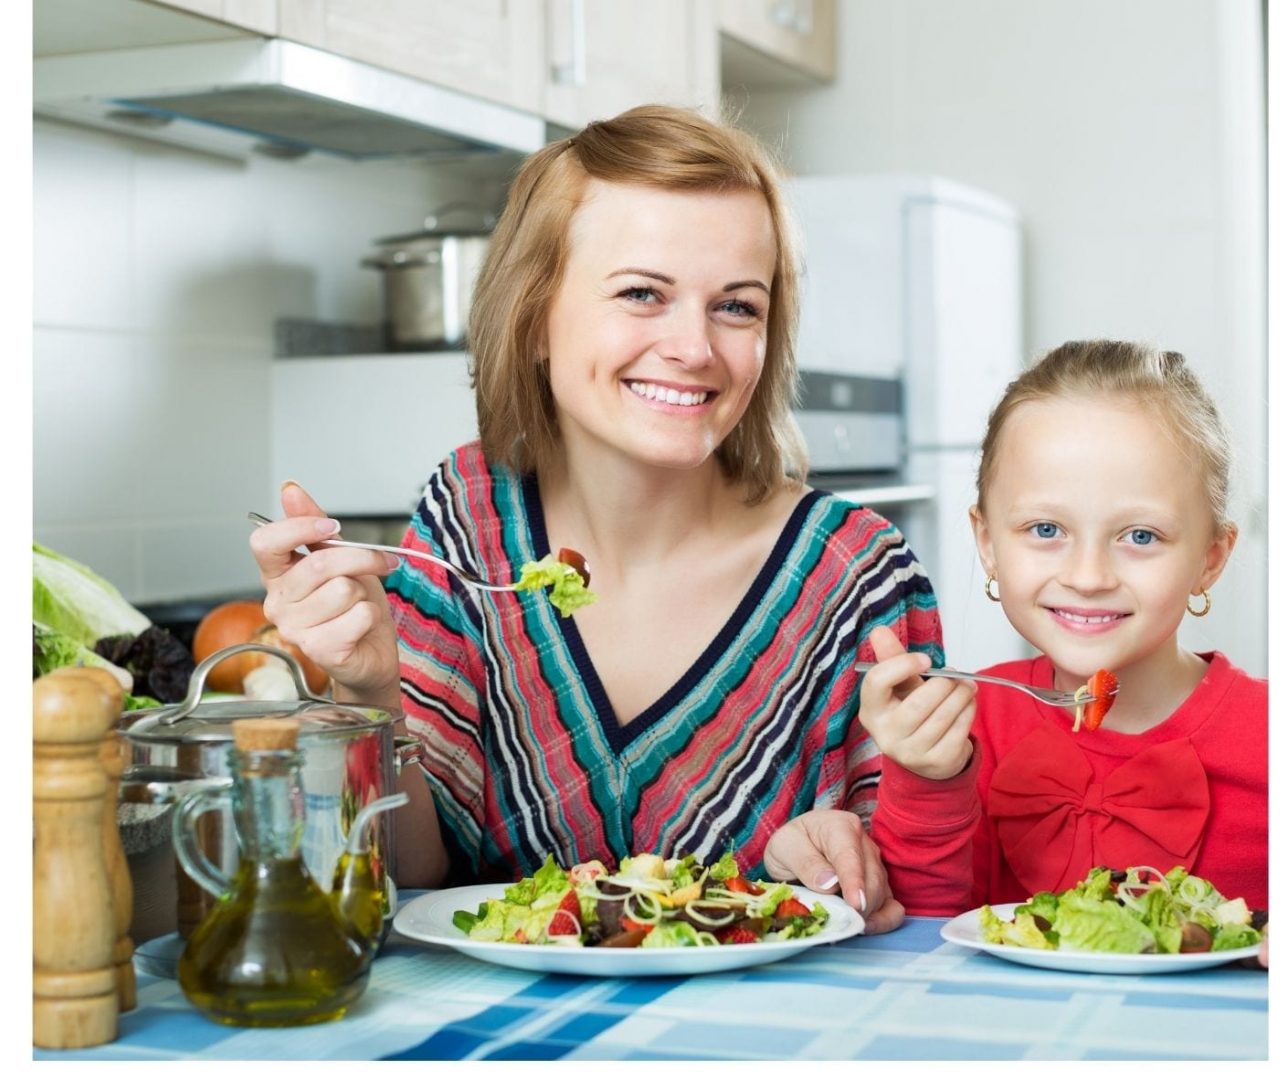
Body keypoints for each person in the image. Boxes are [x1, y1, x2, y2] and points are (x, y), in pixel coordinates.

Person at [248, 104, 948, 934]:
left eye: (737, 307)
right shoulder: (467, 518)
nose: (695, 347)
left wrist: (846, 860)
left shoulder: (860, 574)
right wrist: (368, 691)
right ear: (537, 317)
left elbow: (921, 892)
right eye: (643, 294)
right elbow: (414, 872)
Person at [811, 339, 1268, 918]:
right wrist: (926, 779)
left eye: (1141, 537)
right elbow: (919, 931)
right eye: (1047, 530)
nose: (1088, 575)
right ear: (988, 544)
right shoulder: (973, 724)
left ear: (1210, 557)